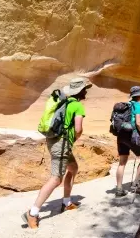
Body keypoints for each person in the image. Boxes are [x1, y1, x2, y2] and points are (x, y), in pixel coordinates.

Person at [22, 77, 92, 229]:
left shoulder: (65, 103)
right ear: (80, 91)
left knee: (73, 168)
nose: (87, 92)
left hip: (56, 141)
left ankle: (66, 202)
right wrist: (73, 138)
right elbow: (79, 129)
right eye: (85, 89)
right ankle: (33, 213)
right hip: (62, 144)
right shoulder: (78, 106)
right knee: (55, 179)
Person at [115, 86, 140, 197]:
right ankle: (136, 183)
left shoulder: (126, 105)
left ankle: (119, 189)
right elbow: (139, 123)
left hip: (121, 136)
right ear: (139, 95)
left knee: (122, 162)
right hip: (132, 135)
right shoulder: (137, 105)